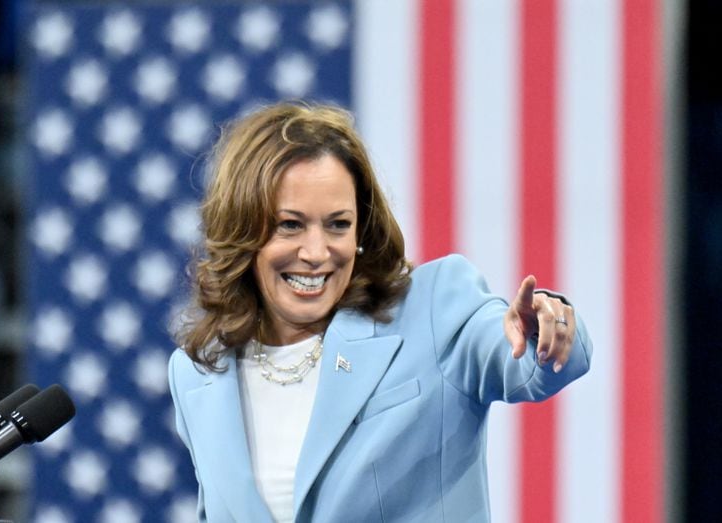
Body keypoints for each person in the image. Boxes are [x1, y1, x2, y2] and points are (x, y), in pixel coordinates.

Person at [168, 102, 593, 523]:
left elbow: (514, 359)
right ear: (242, 232)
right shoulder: (198, 375)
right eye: (290, 225)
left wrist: (542, 332)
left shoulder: (432, 309)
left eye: (338, 224)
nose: (317, 253)